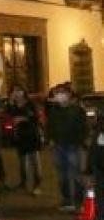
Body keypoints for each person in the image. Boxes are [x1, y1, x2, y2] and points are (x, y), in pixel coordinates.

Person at [46, 83, 88, 211]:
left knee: (75, 174)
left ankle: (79, 202)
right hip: (58, 146)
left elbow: (83, 128)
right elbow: (50, 127)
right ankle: (66, 200)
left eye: (62, 92)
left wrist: (79, 141)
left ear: (69, 95)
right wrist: (50, 139)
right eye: (57, 92)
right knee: (62, 176)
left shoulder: (77, 109)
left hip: (72, 146)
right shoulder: (53, 110)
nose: (59, 95)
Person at [7, 85, 42, 195]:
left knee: (35, 161)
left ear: (24, 92)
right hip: (20, 136)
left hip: (32, 135)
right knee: (22, 162)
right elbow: (9, 115)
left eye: (19, 90)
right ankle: (23, 183)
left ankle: (37, 185)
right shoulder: (13, 105)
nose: (16, 93)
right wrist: (10, 102)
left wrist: (22, 118)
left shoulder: (30, 104)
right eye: (14, 91)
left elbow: (36, 117)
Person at [84, 115, 104, 220]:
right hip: (101, 175)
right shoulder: (101, 130)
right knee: (100, 215)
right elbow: (94, 151)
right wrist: (89, 172)